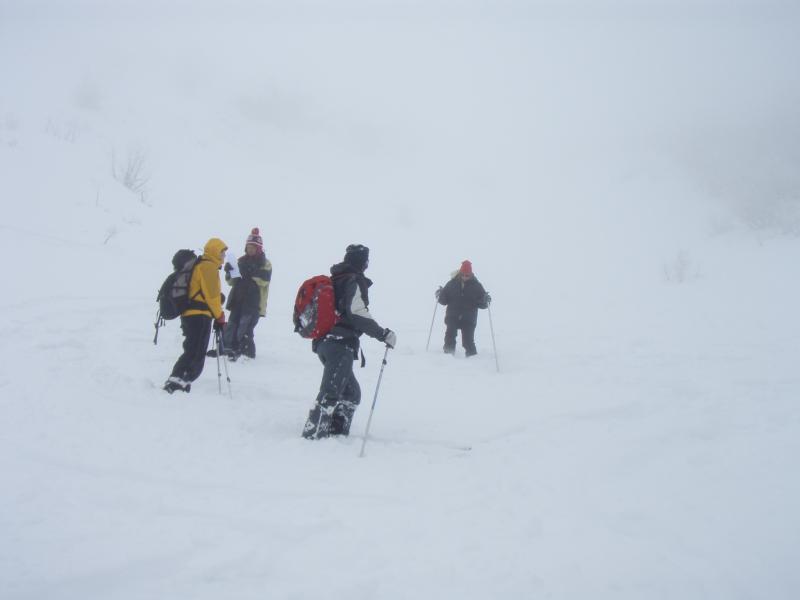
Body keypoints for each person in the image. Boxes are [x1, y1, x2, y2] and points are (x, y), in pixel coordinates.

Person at [302, 244, 397, 440]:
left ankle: (336, 434)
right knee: (330, 393)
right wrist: (382, 334)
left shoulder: (337, 278)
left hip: (327, 343)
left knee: (351, 394)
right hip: (339, 344)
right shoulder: (352, 280)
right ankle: (312, 437)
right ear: (363, 262)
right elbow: (357, 313)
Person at [163, 237, 228, 393]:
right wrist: (219, 316)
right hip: (199, 315)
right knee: (196, 352)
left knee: (192, 349)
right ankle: (178, 381)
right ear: (214, 251)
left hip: (191, 314)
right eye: (222, 253)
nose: (223, 257)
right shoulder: (208, 267)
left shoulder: (201, 266)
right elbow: (211, 296)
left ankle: (179, 381)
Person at [221, 228, 272, 360]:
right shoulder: (240, 261)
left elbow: (264, 280)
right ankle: (227, 348)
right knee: (232, 323)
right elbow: (232, 281)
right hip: (237, 299)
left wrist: (247, 271)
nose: (250, 250)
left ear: (258, 248)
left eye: (253, 247)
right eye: (248, 247)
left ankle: (245, 352)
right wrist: (229, 272)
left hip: (253, 302)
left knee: (245, 327)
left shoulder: (265, 263)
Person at [436, 260, 490, 357]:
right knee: (450, 335)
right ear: (460, 273)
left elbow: (483, 304)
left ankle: (473, 359)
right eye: (463, 275)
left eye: (467, 275)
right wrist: (440, 295)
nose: (465, 277)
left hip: (468, 318)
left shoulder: (477, 286)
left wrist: (485, 300)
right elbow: (444, 301)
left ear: (471, 274)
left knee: (468, 341)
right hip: (453, 316)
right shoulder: (451, 284)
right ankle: (448, 356)